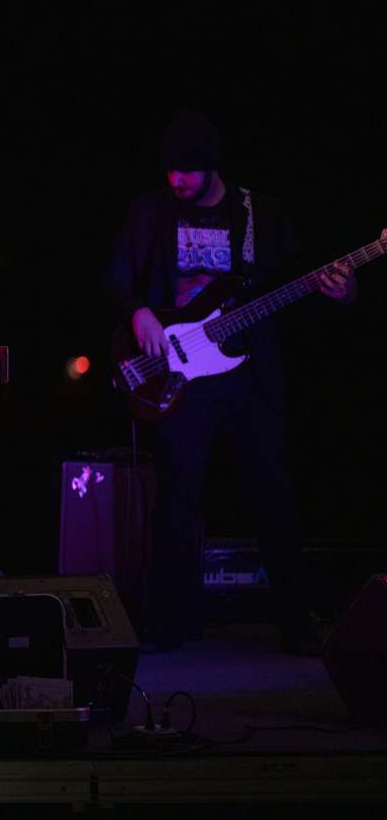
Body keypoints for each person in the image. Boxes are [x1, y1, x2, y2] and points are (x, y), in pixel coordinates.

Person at [103, 108, 359, 656]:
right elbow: (120, 278)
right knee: (177, 497)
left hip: (249, 376)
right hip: (180, 373)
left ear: (212, 167)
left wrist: (342, 293)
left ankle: (297, 621)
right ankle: (170, 623)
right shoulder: (149, 213)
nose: (177, 181)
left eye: (188, 172)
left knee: (272, 490)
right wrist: (138, 312)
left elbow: (294, 286)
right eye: (170, 170)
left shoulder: (259, 213)